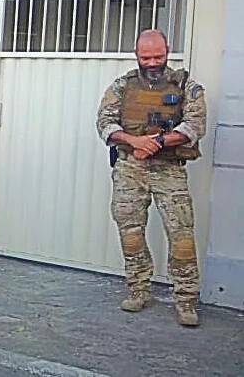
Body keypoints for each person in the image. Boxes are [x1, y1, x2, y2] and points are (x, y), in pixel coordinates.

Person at [95, 29, 207, 327]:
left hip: (168, 170)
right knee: (130, 232)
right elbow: (104, 123)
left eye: (158, 55)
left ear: (168, 51)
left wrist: (156, 143)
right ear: (137, 55)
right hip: (130, 168)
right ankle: (138, 289)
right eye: (146, 57)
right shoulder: (122, 86)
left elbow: (195, 125)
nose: (153, 62)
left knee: (181, 236)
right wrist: (134, 142)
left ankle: (185, 300)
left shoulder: (187, 86)